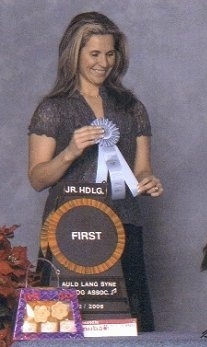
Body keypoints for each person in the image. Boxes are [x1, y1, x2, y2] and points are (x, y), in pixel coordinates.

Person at [28, 11, 163, 331]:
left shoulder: (133, 108)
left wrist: (149, 182)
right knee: (54, 330)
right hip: (66, 231)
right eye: (94, 54)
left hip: (123, 225)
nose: (104, 62)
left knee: (131, 326)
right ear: (74, 55)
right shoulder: (52, 109)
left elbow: (142, 171)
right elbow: (37, 178)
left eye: (110, 53)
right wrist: (70, 152)